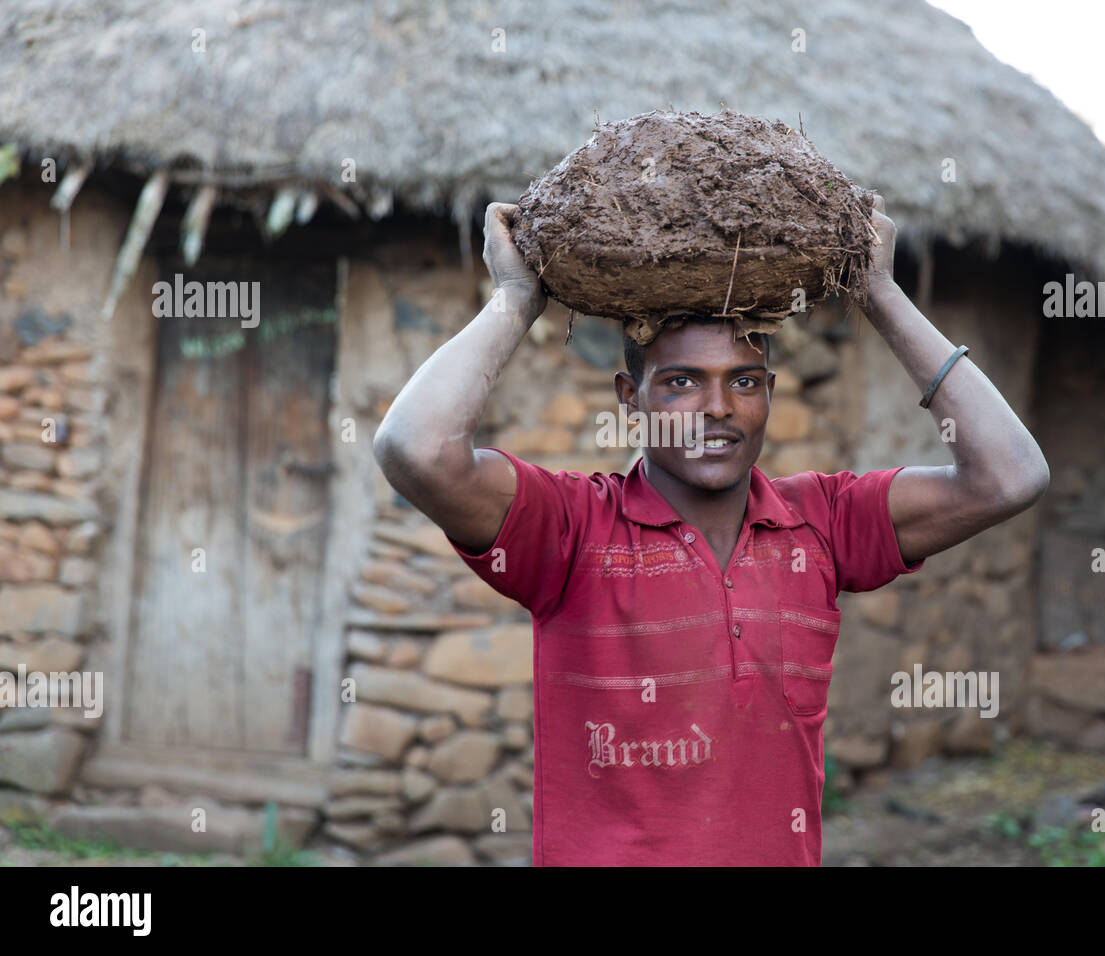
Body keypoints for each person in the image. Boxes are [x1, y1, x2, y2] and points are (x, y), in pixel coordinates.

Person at [373, 198, 1050, 865]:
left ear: (770, 394)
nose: (717, 408)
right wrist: (516, 299)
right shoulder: (572, 531)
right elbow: (416, 449)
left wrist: (880, 295)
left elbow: (1010, 475)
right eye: (682, 382)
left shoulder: (825, 523)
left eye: (744, 382)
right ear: (629, 398)